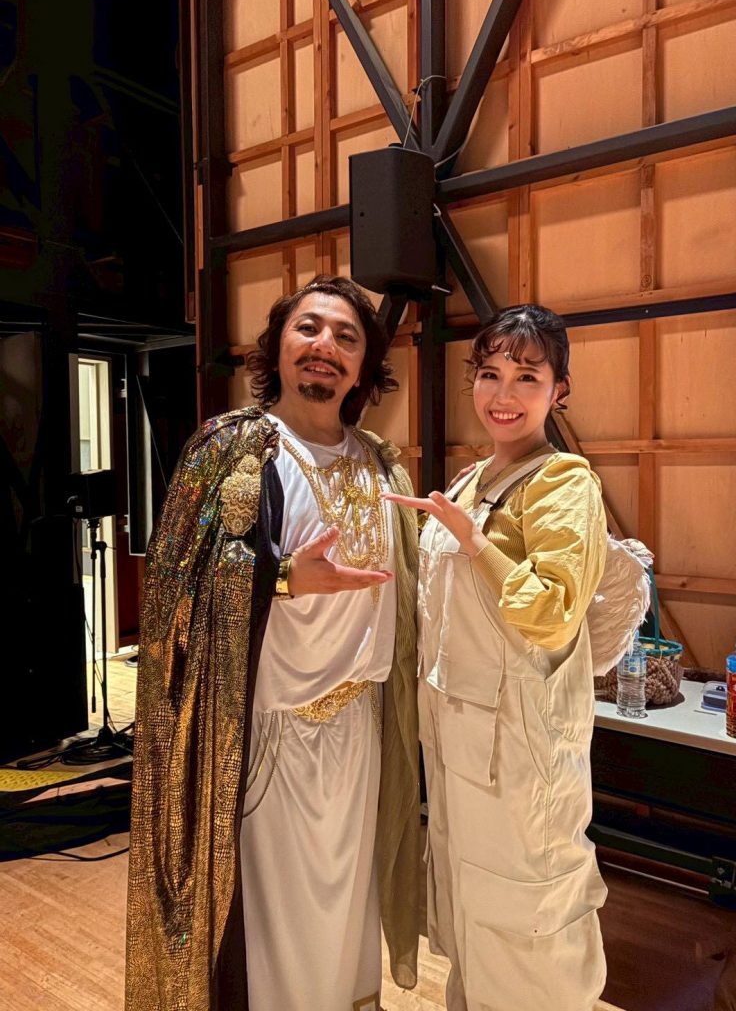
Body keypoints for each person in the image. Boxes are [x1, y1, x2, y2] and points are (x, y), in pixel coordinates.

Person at [125, 276, 420, 1011]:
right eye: (308, 328)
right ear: (277, 345)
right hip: (265, 733)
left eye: (346, 337)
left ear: (363, 365)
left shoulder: (380, 461)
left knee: (346, 917)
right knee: (275, 930)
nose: (325, 346)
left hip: (360, 730)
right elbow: (172, 591)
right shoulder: (232, 449)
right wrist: (283, 578)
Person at [386, 304, 609, 1011]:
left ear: (559, 390)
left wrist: (476, 542)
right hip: (457, 747)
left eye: (527, 377)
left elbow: (551, 611)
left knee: (528, 934)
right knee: (474, 925)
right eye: (489, 374)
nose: (503, 395)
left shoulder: (563, 482)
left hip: (519, 755)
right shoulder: (468, 481)